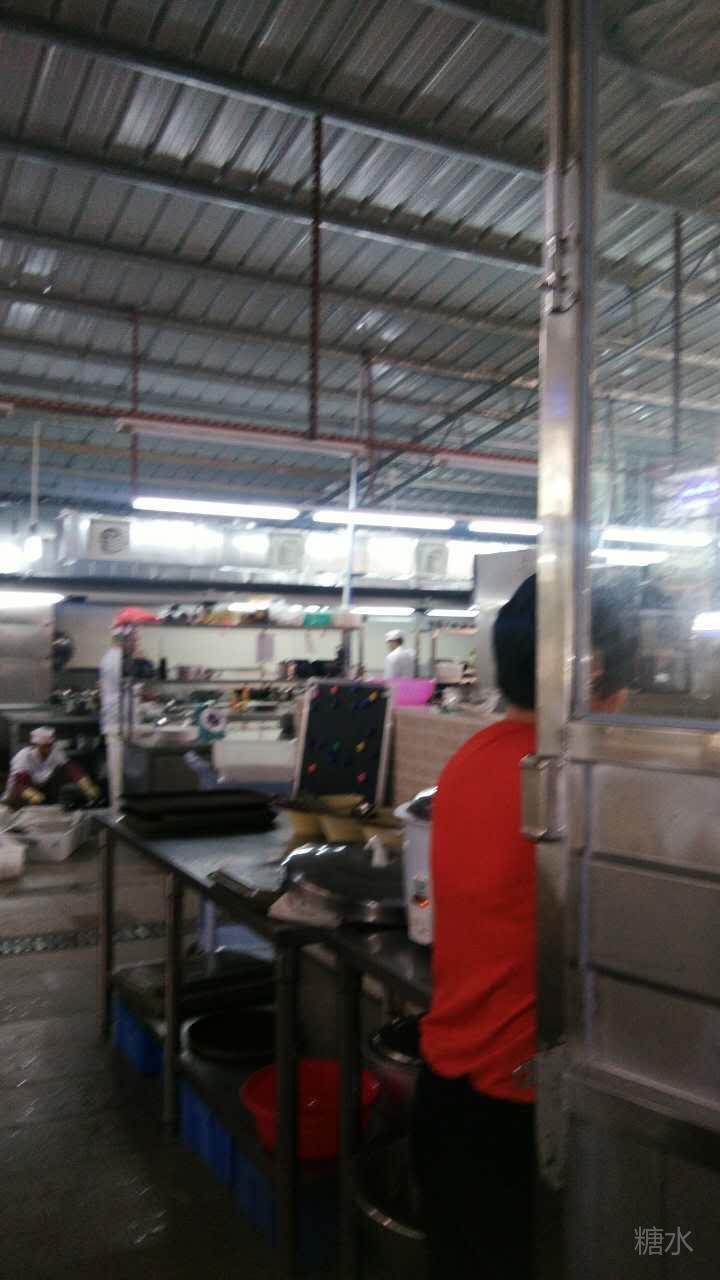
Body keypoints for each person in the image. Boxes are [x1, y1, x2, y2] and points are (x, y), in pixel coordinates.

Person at [412, 575, 636, 1280]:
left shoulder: (467, 761)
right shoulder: (576, 782)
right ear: (595, 676)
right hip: (523, 1114)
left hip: (446, 1090)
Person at [3, 726, 99, 809]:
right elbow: (19, 783)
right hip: (18, 796)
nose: (48, 749)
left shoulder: (55, 753)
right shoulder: (23, 756)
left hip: (42, 792)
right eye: (44, 746)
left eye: (49, 746)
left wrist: (85, 784)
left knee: (61, 772)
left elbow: (71, 768)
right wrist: (32, 795)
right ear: (35, 745)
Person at [99, 625, 135, 816]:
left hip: (119, 723)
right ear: (125, 640)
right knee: (118, 776)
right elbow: (129, 683)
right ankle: (118, 814)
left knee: (119, 774)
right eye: (134, 640)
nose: (135, 644)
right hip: (117, 724)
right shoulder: (117, 659)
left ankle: (120, 812)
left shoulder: (112, 657)